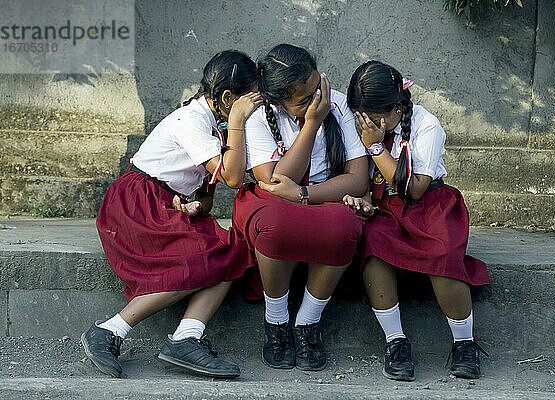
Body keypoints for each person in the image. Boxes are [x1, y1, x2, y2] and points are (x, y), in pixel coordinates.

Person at [81, 50, 262, 379]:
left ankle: (186, 337)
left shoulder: (215, 127)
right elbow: (234, 179)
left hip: (164, 205)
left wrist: (190, 204)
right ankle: (110, 330)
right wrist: (237, 122)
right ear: (226, 97)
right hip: (135, 205)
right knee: (208, 257)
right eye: (246, 102)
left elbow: (206, 201)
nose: (250, 110)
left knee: (234, 251)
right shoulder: (192, 121)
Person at [343, 60, 489, 381]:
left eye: (373, 116)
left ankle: (465, 343)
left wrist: (375, 146)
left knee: (443, 251)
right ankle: (395, 341)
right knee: (374, 246)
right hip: (386, 206)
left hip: (430, 205)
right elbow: (362, 178)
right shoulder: (363, 124)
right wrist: (363, 201)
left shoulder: (426, 125)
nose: (366, 123)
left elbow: (416, 188)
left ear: (397, 106)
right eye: (361, 116)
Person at [232, 44, 368, 371]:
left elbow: (358, 180)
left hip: (322, 195)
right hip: (273, 201)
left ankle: (307, 321)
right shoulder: (260, 116)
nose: (316, 100)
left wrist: (306, 194)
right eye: (303, 100)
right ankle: (276, 320)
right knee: (276, 224)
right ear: (278, 101)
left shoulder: (337, 105)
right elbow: (276, 183)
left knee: (345, 226)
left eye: (315, 88)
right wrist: (312, 123)